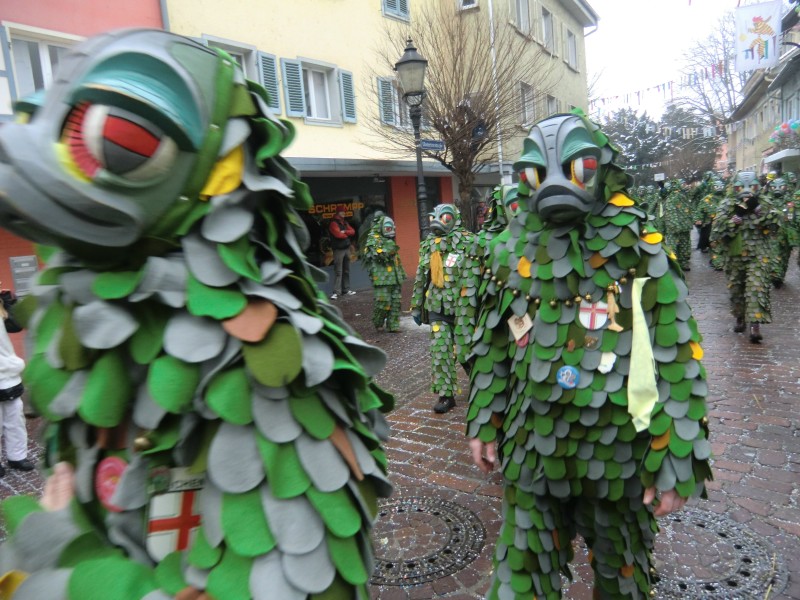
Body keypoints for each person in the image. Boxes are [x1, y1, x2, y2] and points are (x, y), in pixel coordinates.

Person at [0, 29, 393, 599]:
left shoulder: (266, 353)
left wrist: (61, 558)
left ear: (220, 172)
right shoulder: (74, 322)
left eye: (117, 135)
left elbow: (292, 580)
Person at [467, 112, 712, 599]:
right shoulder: (508, 252)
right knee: (520, 575)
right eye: (537, 172)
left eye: (577, 167)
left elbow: (676, 355)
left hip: (618, 452)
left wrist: (678, 455)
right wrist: (484, 418)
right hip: (533, 446)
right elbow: (493, 343)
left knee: (622, 575)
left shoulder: (639, 246)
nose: (554, 184)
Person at [411, 203, 475, 414]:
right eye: (434, 217)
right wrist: (416, 306)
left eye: (445, 217)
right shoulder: (428, 245)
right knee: (440, 351)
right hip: (437, 305)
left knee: (466, 350)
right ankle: (446, 396)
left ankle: (481, 386)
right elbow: (421, 277)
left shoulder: (469, 242)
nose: (438, 221)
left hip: (463, 308)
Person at [710, 170, 780, 343]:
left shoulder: (765, 202)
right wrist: (734, 220)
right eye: (741, 186)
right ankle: (740, 317)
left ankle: (755, 326)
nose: (747, 190)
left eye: (752, 186)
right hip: (735, 255)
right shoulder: (727, 204)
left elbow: (775, 226)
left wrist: (759, 210)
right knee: (737, 288)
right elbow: (716, 231)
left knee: (756, 287)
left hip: (758, 253)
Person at [0, 289, 34, 477]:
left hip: (8, 372)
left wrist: (8, 301)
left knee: (15, 418)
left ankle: (17, 457)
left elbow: (15, 325)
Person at [361, 213, 406, 332]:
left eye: (392, 228)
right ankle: (378, 322)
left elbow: (395, 258)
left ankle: (393, 326)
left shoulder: (389, 242)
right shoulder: (373, 239)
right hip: (382, 278)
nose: (391, 231)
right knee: (383, 301)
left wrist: (401, 273)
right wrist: (390, 249)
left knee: (396, 302)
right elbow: (380, 255)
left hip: (395, 276)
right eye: (388, 228)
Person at [328, 204, 357, 299]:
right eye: (342, 212)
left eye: (344, 212)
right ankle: (336, 292)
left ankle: (346, 290)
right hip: (338, 250)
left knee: (346, 270)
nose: (344, 213)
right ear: (338, 212)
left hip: (346, 249)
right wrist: (345, 234)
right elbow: (338, 235)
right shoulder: (333, 223)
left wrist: (345, 232)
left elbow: (353, 231)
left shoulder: (345, 223)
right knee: (338, 271)